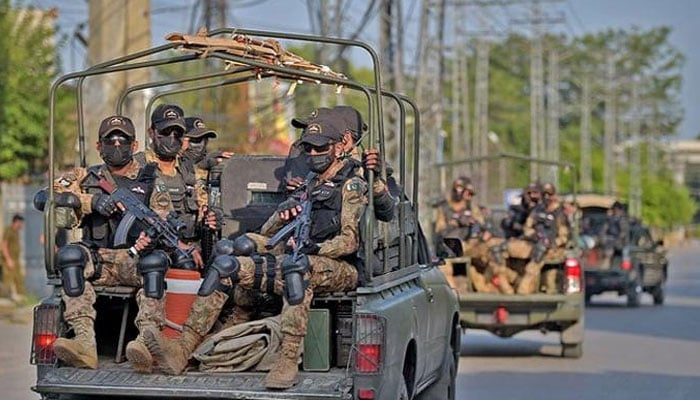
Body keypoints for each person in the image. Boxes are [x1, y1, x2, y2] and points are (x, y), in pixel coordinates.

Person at [144, 116, 367, 390]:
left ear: (337, 147)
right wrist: (284, 215)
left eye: (320, 148)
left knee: (296, 269)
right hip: (296, 257)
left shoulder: (351, 184)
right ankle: (183, 346)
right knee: (226, 263)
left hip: (338, 267)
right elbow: (270, 231)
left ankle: (287, 358)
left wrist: (316, 247)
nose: (313, 154)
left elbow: (350, 241)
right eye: (308, 148)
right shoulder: (309, 183)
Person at [48, 115, 174, 371]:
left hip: (133, 260)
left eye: (123, 140)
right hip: (99, 260)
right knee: (70, 256)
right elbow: (47, 196)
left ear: (134, 145)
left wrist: (149, 238)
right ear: (99, 146)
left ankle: (147, 342)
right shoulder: (85, 177)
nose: (117, 145)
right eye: (110, 140)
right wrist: (90, 202)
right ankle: (84, 342)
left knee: (156, 262)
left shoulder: (150, 179)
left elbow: (163, 218)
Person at [288, 105, 395, 222]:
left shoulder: (362, 170)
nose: (308, 136)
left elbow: (386, 212)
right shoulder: (314, 168)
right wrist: (296, 195)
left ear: (345, 138)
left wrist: (374, 181)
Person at [517, 182, 569, 294]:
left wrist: (552, 242)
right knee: (503, 248)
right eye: (544, 194)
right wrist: (534, 235)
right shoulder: (537, 210)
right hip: (533, 241)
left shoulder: (559, 213)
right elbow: (527, 227)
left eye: (549, 194)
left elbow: (564, 236)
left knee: (539, 253)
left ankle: (523, 289)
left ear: (554, 195)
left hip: (551, 247)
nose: (546, 197)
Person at [1, 214, 25, 302]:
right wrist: (8, 259)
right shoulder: (9, 230)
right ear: (16, 222)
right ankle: (4, 299)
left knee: (19, 279)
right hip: (9, 259)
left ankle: (21, 299)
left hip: (15, 259)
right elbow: (4, 245)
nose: (22, 225)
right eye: (21, 223)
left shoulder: (16, 232)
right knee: (8, 279)